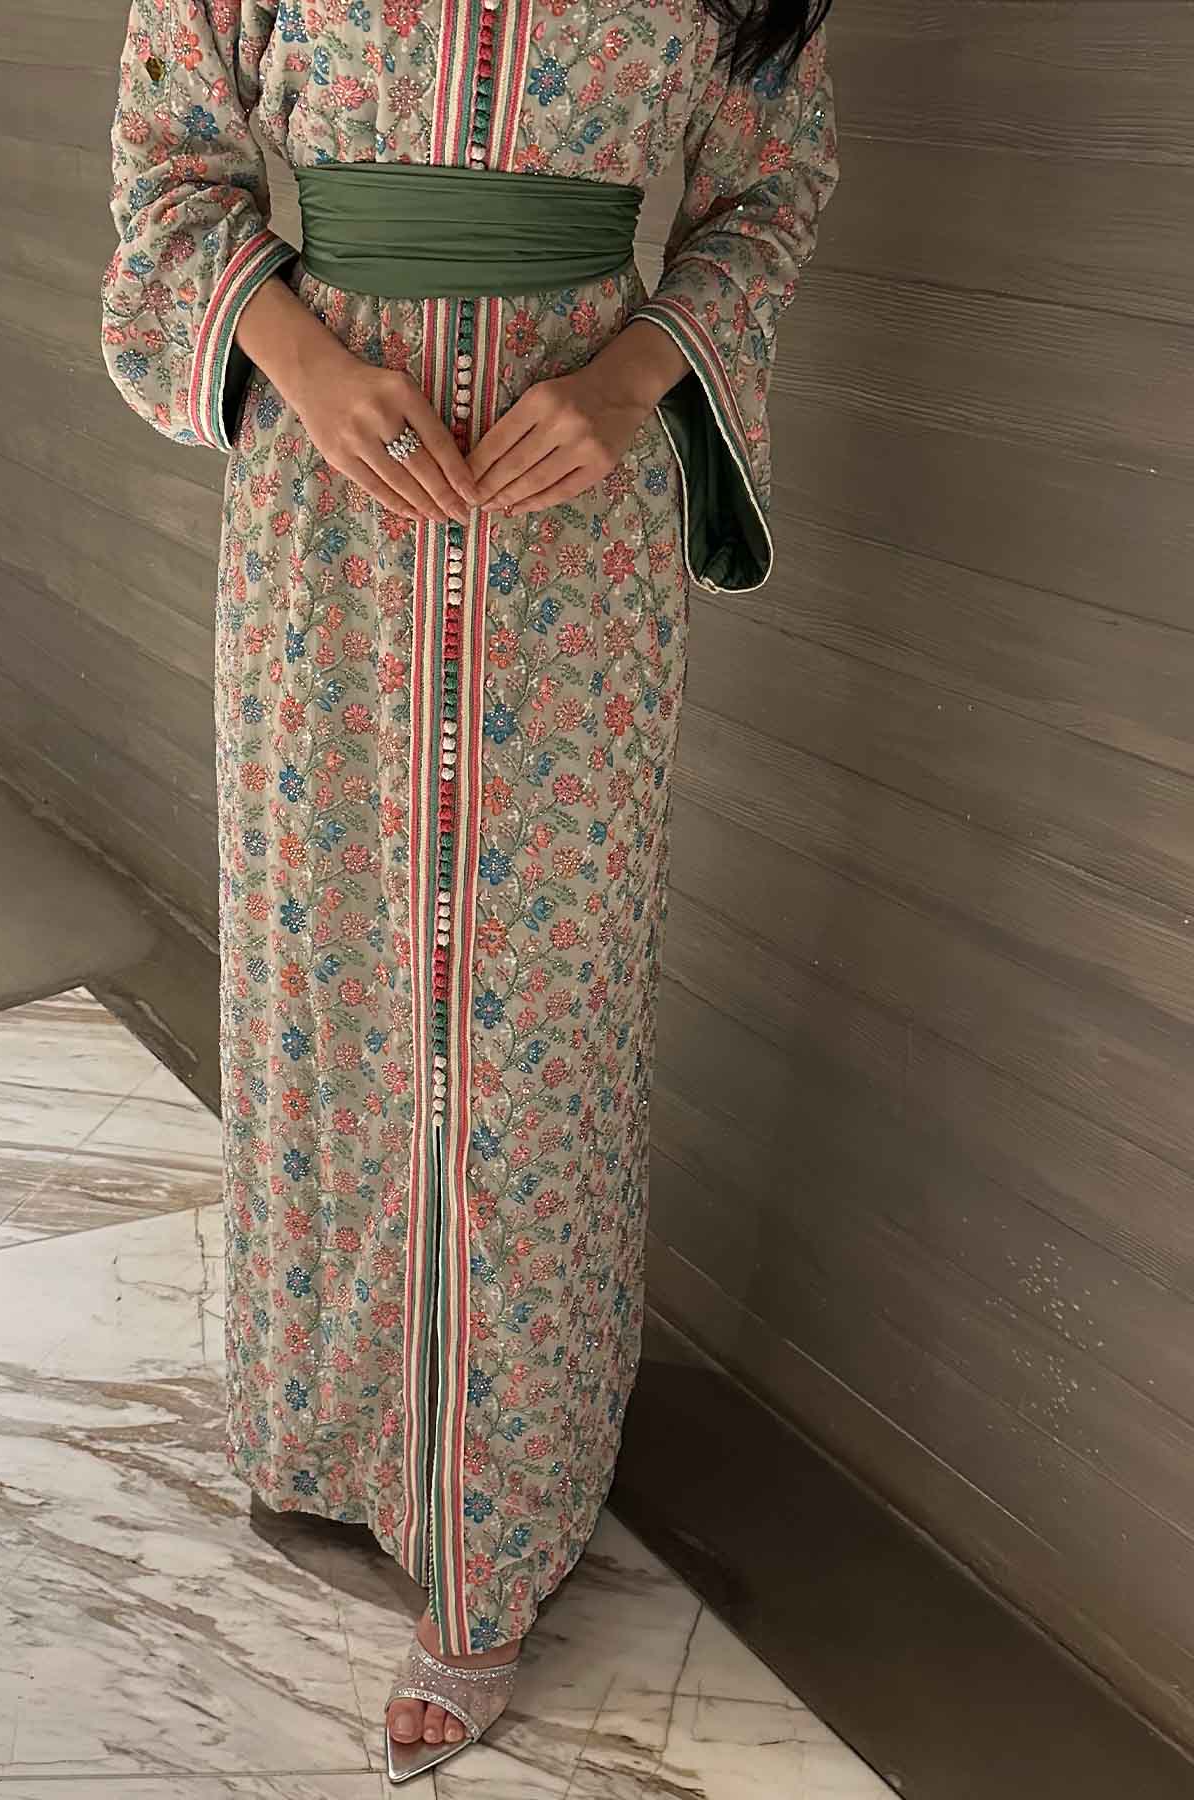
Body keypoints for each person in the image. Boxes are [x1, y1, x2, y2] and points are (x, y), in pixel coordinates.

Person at [100, 0, 838, 1778]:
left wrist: (627, 380)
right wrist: (300, 356)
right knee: (326, 990)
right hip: (325, 521)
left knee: (535, 1042)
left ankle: (494, 1535)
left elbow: (771, 194)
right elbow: (170, 172)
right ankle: (329, 1429)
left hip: (574, 542)